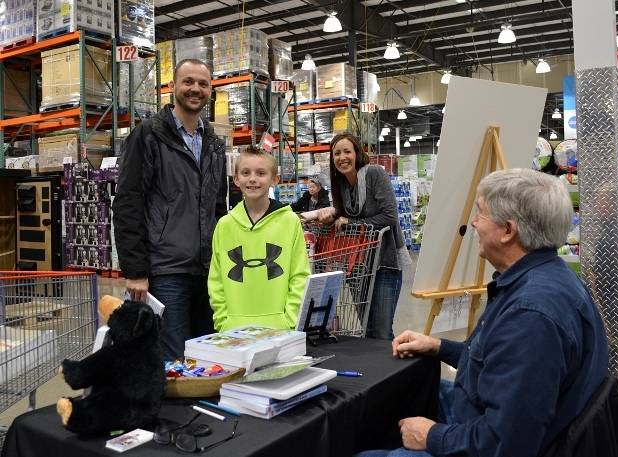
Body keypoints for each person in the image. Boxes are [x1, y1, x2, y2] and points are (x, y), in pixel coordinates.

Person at [356, 168, 609, 457]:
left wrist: (432, 435)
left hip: (489, 436)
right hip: (482, 411)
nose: (473, 223)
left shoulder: (531, 315)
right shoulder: (546, 279)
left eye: (481, 213)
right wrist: (438, 346)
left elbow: (505, 443)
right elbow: (500, 365)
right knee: (391, 401)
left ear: (508, 231)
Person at [113, 58, 227, 361]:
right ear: (172, 86)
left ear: (211, 91)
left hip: (207, 271)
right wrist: (135, 270)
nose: (195, 89)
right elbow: (127, 202)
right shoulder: (148, 134)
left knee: (208, 361)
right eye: (188, 82)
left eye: (203, 84)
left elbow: (219, 209)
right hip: (166, 271)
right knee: (173, 363)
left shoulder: (215, 144)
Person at [317, 132, 411, 340]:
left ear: (357, 153)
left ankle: (392, 370)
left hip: (385, 262)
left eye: (347, 151)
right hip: (359, 266)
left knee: (381, 331)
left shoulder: (374, 174)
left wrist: (353, 223)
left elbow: (389, 216)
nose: (342, 157)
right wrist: (328, 218)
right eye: (337, 153)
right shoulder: (340, 184)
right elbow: (342, 216)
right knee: (367, 331)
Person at [208, 147, 310, 332]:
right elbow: (216, 280)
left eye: (261, 173)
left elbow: (299, 276)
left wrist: (289, 320)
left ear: (274, 180)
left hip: (280, 329)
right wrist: (223, 322)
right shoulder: (224, 226)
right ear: (236, 179)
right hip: (233, 331)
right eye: (246, 173)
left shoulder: (289, 222)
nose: (253, 179)